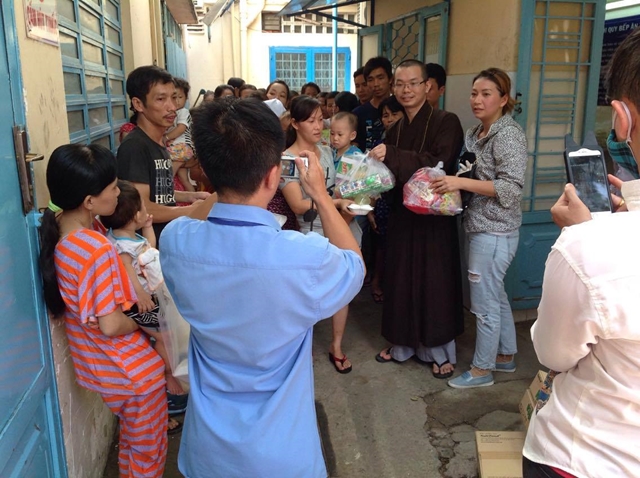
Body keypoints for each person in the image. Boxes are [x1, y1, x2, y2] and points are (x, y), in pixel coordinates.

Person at [159, 97, 364, 477]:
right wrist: (320, 194)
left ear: (205, 170)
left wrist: (223, 182)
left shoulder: (175, 241)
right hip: (282, 456)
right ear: (273, 176)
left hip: (208, 453)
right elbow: (354, 265)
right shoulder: (304, 257)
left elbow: (198, 215)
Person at [520, 28, 640, 478]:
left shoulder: (589, 249)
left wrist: (583, 235)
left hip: (589, 455)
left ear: (621, 119)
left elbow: (554, 353)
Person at [39, 143, 169, 477]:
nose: (118, 192)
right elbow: (110, 325)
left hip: (106, 370)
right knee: (149, 453)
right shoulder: (95, 248)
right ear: (89, 201)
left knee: (133, 446)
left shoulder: (66, 233)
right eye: (112, 187)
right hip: (133, 372)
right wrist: (144, 321)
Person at [429, 67, 527, 388]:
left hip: (495, 231)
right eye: (474, 93)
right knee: (495, 294)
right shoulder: (475, 133)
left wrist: (459, 182)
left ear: (503, 99)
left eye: (486, 94)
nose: (477, 100)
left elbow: (510, 189)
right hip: (477, 224)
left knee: (484, 304)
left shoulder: (508, 135)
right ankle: (505, 355)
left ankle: (482, 370)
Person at [369, 59, 464, 379]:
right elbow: (388, 175)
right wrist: (369, 180)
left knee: (433, 283)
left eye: (413, 83)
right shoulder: (395, 129)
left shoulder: (446, 121)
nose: (406, 90)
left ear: (427, 86)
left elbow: (439, 163)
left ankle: (438, 351)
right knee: (400, 280)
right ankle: (403, 344)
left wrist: (392, 156)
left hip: (433, 219)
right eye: (400, 84)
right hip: (402, 217)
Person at [282, 95, 358, 374]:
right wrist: (334, 203)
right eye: (311, 121)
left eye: (320, 120)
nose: (318, 126)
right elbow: (298, 205)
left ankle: (336, 345)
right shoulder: (287, 159)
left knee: (342, 288)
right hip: (309, 234)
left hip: (336, 226)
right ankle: (301, 347)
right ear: (295, 123)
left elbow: (337, 188)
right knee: (306, 294)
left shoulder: (325, 151)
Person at [100, 180, 186, 398]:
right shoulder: (122, 246)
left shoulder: (128, 237)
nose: (146, 210)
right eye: (143, 206)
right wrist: (140, 295)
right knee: (165, 336)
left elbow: (149, 248)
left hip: (149, 296)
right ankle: (168, 373)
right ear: (135, 215)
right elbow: (127, 270)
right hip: (140, 302)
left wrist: (148, 227)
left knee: (168, 333)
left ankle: (169, 367)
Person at [117, 66, 208, 243]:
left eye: (174, 98)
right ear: (138, 104)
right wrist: (190, 211)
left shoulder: (159, 142)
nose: (172, 107)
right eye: (161, 99)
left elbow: (158, 192)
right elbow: (140, 207)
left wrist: (190, 196)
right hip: (149, 245)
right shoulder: (135, 147)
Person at [367, 95, 405, 304]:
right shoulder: (379, 144)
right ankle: (377, 281)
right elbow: (372, 179)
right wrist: (371, 208)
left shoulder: (408, 143)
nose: (389, 119)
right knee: (382, 245)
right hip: (382, 203)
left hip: (404, 202)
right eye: (385, 115)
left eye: (394, 114)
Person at [354, 56, 393, 151]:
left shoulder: (401, 108)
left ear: (390, 79)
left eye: (380, 78)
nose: (376, 84)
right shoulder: (358, 114)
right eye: (370, 80)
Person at [164, 77, 195, 193]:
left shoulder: (183, 112)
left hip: (183, 147)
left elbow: (181, 128)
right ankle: (196, 199)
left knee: (168, 172)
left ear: (186, 98)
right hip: (179, 149)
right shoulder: (171, 112)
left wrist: (166, 138)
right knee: (184, 180)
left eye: (180, 97)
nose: (177, 101)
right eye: (174, 97)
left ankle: (164, 187)